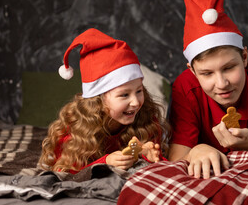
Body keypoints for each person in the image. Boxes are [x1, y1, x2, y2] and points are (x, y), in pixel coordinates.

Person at [168, 0, 248, 179]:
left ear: (245, 57)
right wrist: (196, 151)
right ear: (192, 71)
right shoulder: (184, 87)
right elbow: (176, 159)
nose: (222, 83)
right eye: (206, 73)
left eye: (229, 68)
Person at [39, 28, 170, 174]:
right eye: (124, 95)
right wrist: (105, 162)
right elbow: (63, 170)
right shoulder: (75, 129)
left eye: (139, 91)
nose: (135, 102)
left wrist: (149, 155)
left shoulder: (146, 117)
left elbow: (164, 163)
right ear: (98, 100)